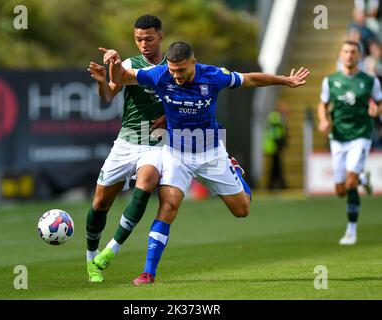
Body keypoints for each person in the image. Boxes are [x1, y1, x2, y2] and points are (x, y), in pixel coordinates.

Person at [102, 41, 310, 284]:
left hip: (210, 152)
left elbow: (250, 79)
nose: (176, 76)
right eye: (172, 70)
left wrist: (284, 80)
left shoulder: (213, 76)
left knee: (242, 210)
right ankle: (149, 272)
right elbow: (123, 78)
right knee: (168, 206)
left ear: (194, 62)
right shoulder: (159, 74)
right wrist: (114, 63)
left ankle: (233, 170)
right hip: (176, 153)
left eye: (181, 70)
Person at [84, 14, 167, 282]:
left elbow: (189, 96)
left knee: (146, 186)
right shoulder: (130, 65)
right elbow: (109, 95)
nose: (144, 44)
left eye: (149, 39)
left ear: (161, 37)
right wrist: (101, 81)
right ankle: (90, 260)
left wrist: (168, 117)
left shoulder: (176, 64)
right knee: (100, 204)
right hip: (126, 141)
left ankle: (110, 251)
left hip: (156, 142)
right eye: (138, 39)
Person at [317, 40, 382, 246]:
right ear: (340, 54)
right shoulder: (330, 80)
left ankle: (351, 230)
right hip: (338, 137)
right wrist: (323, 120)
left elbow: (379, 101)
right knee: (340, 190)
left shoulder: (370, 80)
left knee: (350, 183)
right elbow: (323, 104)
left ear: (359, 56)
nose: (349, 55)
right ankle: (363, 179)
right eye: (346, 51)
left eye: (353, 52)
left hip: (361, 135)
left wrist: (377, 110)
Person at [262, 102, 288, 190]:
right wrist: (279, 142)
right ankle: (278, 183)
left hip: (274, 145)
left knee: (275, 165)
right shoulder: (275, 116)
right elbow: (275, 131)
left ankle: (274, 183)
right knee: (276, 165)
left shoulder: (276, 116)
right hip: (273, 145)